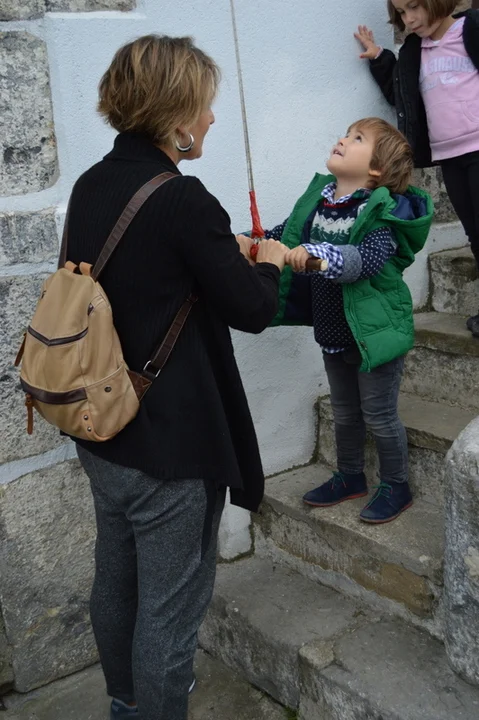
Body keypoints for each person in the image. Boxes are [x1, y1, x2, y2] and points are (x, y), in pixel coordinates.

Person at [65, 34, 287, 720]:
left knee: (117, 579)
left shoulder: (91, 184)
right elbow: (252, 309)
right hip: (170, 443)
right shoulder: (183, 199)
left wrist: (220, 251)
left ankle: (124, 703)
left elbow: (142, 278)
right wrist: (269, 261)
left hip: (101, 426)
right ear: (177, 114)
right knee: (169, 610)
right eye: (205, 105)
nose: (212, 118)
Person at [244, 118, 433, 524]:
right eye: (347, 134)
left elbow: (365, 260)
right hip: (333, 333)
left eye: (358, 138)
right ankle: (350, 476)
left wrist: (319, 254)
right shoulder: (318, 203)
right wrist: (251, 244)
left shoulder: (381, 211)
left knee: (379, 416)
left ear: (377, 169)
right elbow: (284, 236)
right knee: (345, 413)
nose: (344, 140)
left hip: (375, 336)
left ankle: (396, 484)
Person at [355, 1, 479, 335]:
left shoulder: (471, 28)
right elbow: (402, 95)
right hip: (449, 156)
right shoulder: (413, 51)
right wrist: (380, 58)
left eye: (414, 7)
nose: (409, 19)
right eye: (400, 12)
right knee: (474, 233)